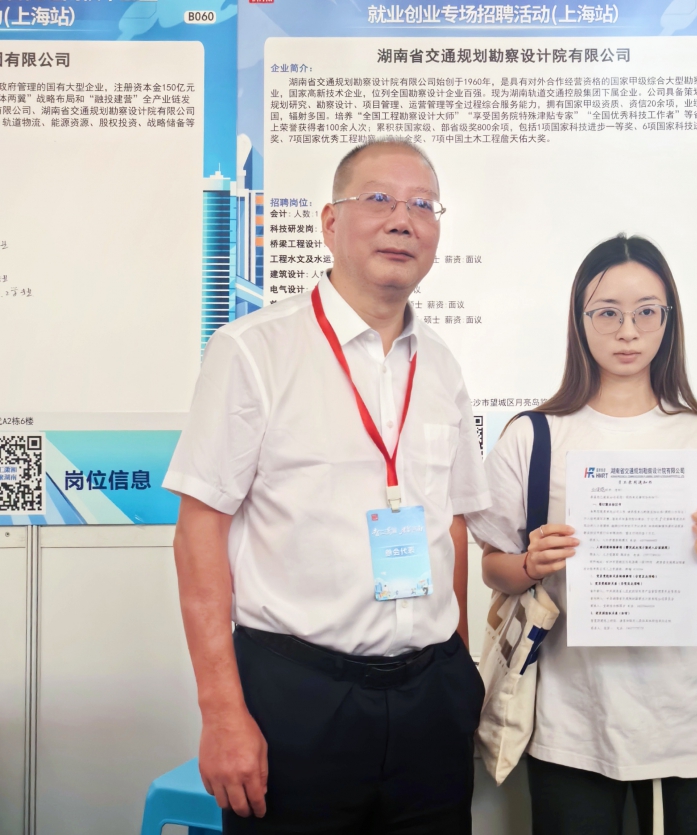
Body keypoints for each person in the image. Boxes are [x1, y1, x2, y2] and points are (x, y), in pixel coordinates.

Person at [165, 140, 490, 834]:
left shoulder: (441, 366)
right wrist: (221, 712)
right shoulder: (253, 351)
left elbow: (452, 525)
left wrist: (459, 674)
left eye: (422, 205)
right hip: (298, 698)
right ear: (330, 222)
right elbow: (198, 531)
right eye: (379, 199)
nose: (402, 219)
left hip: (431, 699)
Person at [466, 234, 697, 835]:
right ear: (580, 320)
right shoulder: (533, 435)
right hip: (572, 719)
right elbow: (493, 565)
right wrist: (531, 564)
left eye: (646, 312)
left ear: (668, 320)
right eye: (607, 313)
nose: (628, 331)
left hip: (685, 719)